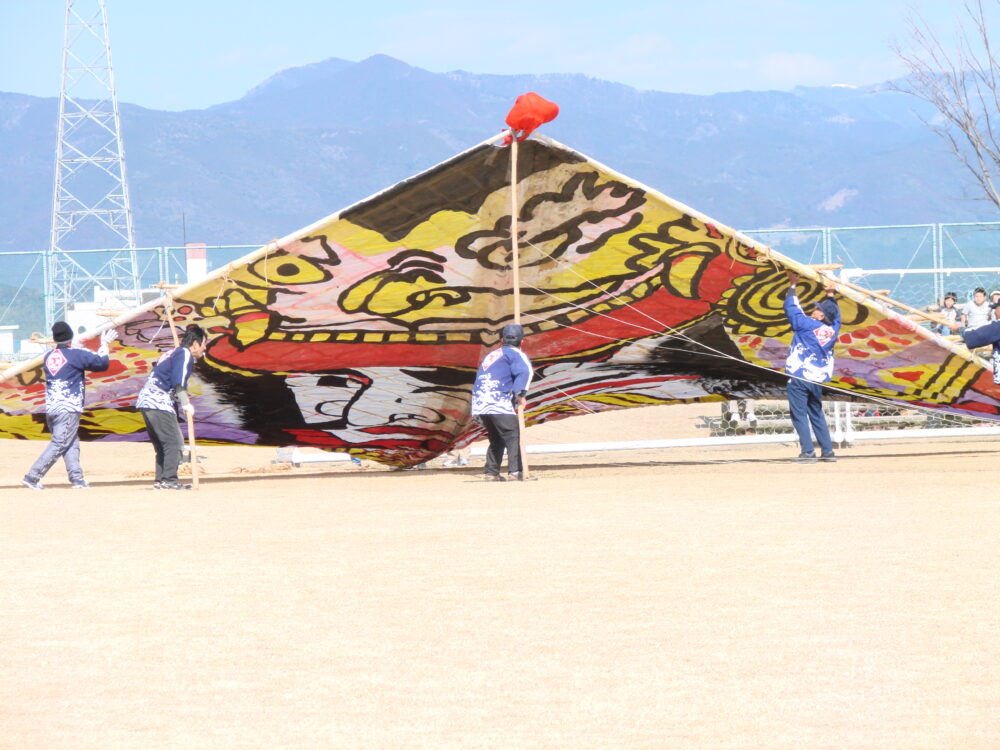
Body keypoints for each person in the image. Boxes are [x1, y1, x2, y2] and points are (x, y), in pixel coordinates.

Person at [22, 322, 117, 489]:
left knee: (70, 440)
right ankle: (33, 476)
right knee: (60, 443)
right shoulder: (75, 354)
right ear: (70, 337)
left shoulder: (49, 356)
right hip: (68, 407)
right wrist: (104, 345)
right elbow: (102, 364)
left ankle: (77, 478)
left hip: (52, 408)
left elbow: (69, 358)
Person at [136, 324, 207, 490]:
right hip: (157, 400)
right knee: (174, 443)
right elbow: (178, 381)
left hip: (148, 399)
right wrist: (186, 403)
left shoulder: (173, 353)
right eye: (204, 343)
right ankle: (169, 480)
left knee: (163, 444)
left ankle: (161, 480)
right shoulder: (184, 353)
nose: (205, 348)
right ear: (195, 343)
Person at [783, 272, 840, 463]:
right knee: (816, 413)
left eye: (817, 309)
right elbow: (836, 316)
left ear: (822, 315)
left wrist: (793, 284)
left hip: (799, 376)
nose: (813, 310)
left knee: (799, 414)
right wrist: (830, 294)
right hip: (817, 379)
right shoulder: (833, 329)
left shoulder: (806, 325)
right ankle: (828, 451)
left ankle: (808, 451)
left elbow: (792, 308)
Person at [470, 323, 533, 481]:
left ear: (501, 340)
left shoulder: (491, 355)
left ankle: (491, 473)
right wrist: (520, 394)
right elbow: (525, 371)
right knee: (513, 435)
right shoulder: (515, 354)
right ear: (522, 341)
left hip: (480, 403)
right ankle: (516, 471)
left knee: (496, 437)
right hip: (497, 400)